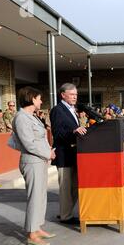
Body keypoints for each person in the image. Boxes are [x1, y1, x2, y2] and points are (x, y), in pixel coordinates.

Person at [12, 87, 56, 245]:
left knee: (41, 196)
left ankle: (37, 227)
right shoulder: (22, 118)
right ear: (31, 99)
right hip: (31, 161)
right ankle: (31, 234)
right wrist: (48, 153)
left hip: (39, 160)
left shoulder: (33, 117)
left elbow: (39, 139)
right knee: (34, 197)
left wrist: (48, 151)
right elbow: (29, 143)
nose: (41, 101)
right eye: (39, 98)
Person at [49, 83, 87, 224]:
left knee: (75, 186)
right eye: (72, 94)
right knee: (66, 188)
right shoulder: (57, 110)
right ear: (63, 95)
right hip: (64, 154)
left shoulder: (72, 110)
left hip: (74, 154)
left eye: (76, 95)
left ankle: (66, 211)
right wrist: (73, 131)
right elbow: (57, 133)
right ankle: (66, 216)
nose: (75, 97)